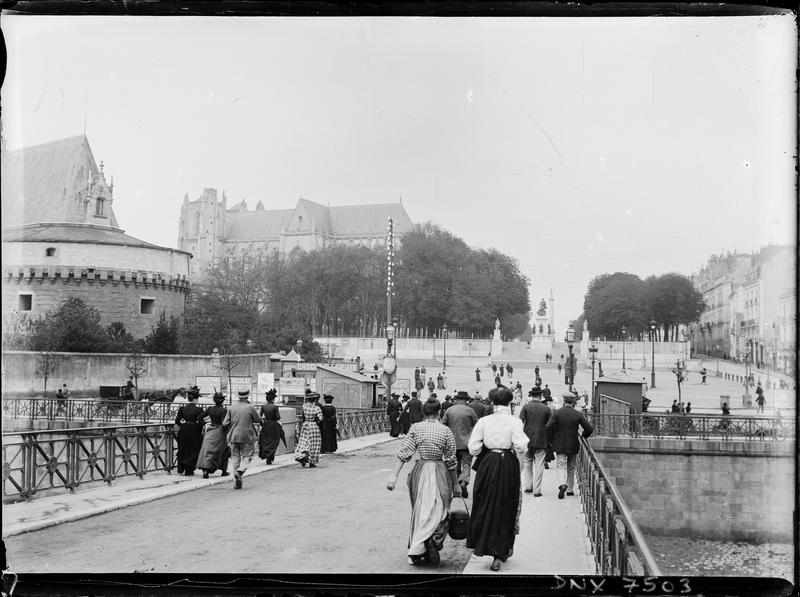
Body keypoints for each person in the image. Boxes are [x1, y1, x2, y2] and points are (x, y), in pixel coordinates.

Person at [386, 397, 460, 566]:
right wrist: (456, 484)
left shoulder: (416, 428)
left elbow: (405, 453)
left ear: (424, 413)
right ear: (439, 412)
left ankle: (417, 546)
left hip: (420, 471)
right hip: (440, 471)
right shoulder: (445, 430)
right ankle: (432, 540)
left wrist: (393, 476)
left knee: (420, 509)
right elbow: (451, 460)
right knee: (439, 510)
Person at [467, 387, 529, 572]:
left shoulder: (484, 421)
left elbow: (473, 448)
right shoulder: (515, 421)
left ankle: (484, 544)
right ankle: (500, 552)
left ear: (492, 402)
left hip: (488, 464)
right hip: (507, 464)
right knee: (507, 504)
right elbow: (521, 446)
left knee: (485, 503)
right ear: (510, 402)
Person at [546, 393, 594, 500]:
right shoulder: (577, 414)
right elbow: (589, 429)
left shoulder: (558, 413)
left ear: (564, 401)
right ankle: (570, 490)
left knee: (561, 465)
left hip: (560, 444)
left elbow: (548, 426)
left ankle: (563, 484)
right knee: (571, 466)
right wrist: (583, 436)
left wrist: (551, 438)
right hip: (573, 443)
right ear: (573, 402)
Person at [441, 391, 479, 498]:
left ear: (457, 399)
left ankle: (456, 485)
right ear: (466, 400)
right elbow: (478, 424)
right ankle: (464, 482)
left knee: (454, 464)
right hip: (467, 443)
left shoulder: (450, 410)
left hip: (452, 443)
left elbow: (442, 425)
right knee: (466, 464)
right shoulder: (470, 410)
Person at [224, 389, 261, 489]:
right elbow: (257, 419)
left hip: (234, 436)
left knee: (235, 458)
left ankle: (236, 481)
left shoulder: (232, 407)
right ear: (247, 396)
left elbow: (225, 423)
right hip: (247, 436)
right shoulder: (250, 407)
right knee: (247, 457)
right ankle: (240, 471)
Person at [519, 387, 551, 497]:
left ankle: (528, 487)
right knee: (539, 465)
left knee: (527, 463)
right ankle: (537, 490)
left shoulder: (526, 407)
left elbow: (520, 422)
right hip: (541, 439)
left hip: (527, 439)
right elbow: (550, 425)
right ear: (541, 396)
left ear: (531, 395)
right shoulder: (546, 408)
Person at [197, 392, 231, 478]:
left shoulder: (210, 409)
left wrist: (204, 424)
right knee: (223, 451)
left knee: (208, 450)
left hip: (210, 431)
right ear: (222, 400)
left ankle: (205, 470)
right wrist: (228, 428)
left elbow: (199, 417)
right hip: (220, 432)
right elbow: (224, 424)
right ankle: (223, 471)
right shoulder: (224, 411)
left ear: (214, 400)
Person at [175, 388, 204, 476]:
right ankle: (188, 468)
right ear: (195, 399)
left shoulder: (182, 408)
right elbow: (201, 422)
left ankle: (181, 468)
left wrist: (183, 426)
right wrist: (197, 427)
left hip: (183, 430)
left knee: (183, 448)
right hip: (194, 430)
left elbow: (177, 421)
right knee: (195, 449)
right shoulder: (199, 409)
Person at [295, 392, 323, 468]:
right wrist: (316, 420)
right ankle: (312, 461)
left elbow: (303, 417)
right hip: (313, 426)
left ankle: (302, 456)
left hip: (305, 425)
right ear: (314, 399)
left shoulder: (304, 406)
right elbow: (320, 419)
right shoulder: (317, 408)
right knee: (314, 444)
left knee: (303, 442)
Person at [258, 389, 284, 464]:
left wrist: (262, 423)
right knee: (274, 441)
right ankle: (270, 456)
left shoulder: (263, 406)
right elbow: (278, 417)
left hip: (266, 425)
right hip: (273, 425)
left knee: (266, 440)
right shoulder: (275, 407)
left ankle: (267, 455)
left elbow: (259, 417)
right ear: (273, 399)